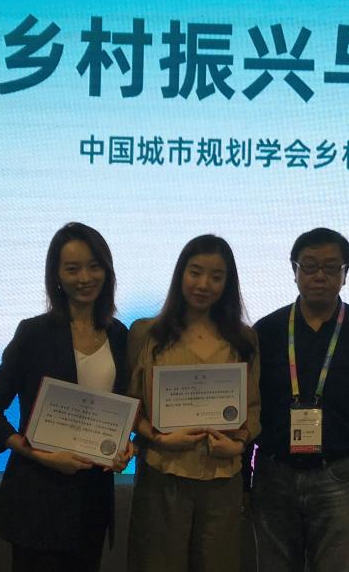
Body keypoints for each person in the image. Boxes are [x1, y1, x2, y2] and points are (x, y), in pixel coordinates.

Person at [0, 222, 132, 572]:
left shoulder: (120, 335)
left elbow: (120, 410)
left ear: (107, 271)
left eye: (94, 266)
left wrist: (125, 447)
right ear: (56, 276)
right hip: (37, 499)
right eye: (72, 269)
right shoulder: (34, 333)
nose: (84, 278)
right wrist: (40, 455)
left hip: (92, 500)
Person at [251, 228, 349, 572]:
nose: (319, 276)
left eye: (331, 267)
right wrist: (243, 478)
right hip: (273, 473)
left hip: (339, 474)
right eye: (310, 266)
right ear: (294, 270)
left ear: (345, 273)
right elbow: (249, 407)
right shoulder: (266, 331)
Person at [127, 235, 261, 572]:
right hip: (162, 474)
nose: (203, 285)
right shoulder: (146, 334)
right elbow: (129, 406)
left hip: (222, 477)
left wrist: (239, 444)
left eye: (216, 277)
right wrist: (158, 437)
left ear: (227, 283)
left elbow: (253, 407)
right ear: (180, 275)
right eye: (195, 272)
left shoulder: (244, 339)